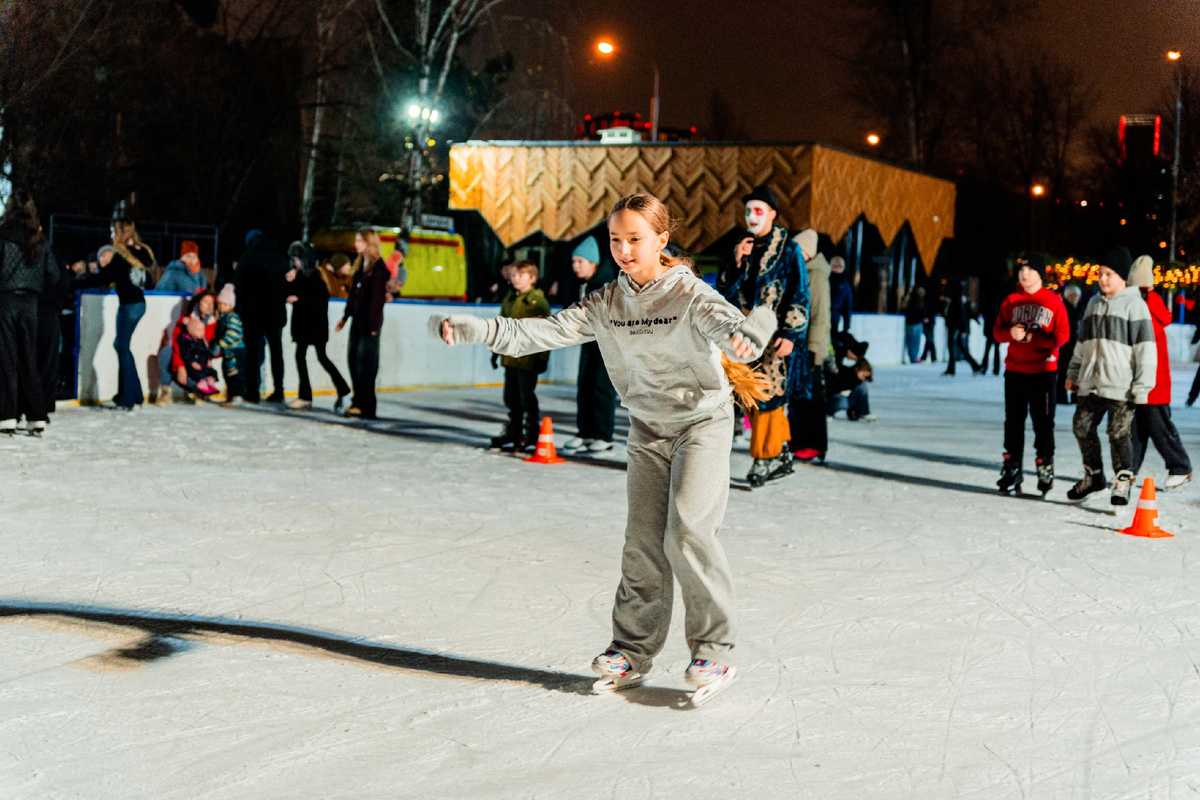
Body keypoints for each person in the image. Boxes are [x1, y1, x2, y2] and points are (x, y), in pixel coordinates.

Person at [427, 191, 777, 702]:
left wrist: (752, 332)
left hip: (701, 423)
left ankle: (714, 652)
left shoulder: (690, 294)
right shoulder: (607, 302)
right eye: (616, 240)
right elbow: (543, 331)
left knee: (687, 530)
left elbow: (741, 328)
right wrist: (480, 328)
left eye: (635, 239)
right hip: (646, 428)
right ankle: (632, 651)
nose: (624, 250)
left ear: (661, 239)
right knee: (642, 540)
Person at [725, 184, 810, 488]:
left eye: (758, 211)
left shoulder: (788, 249)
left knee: (768, 397)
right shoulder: (742, 244)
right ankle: (781, 448)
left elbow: (800, 293)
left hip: (774, 338)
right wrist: (736, 261)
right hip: (743, 333)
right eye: (748, 210)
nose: (751, 216)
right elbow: (724, 290)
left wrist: (791, 334)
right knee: (749, 396)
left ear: (773, 215)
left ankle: (766, 456)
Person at [1065, 247, 1156, 505]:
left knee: (1118, 434)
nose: (1103, 279)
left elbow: (1146, 350)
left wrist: (1142, 386)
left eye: (1109, 274)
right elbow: (1082, 343)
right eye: (1100, 274)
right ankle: (1093, 476)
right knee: (1081, 427)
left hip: (1121, 386)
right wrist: (1073, 373)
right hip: (1091, 382)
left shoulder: (1135, 304)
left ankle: (1122, 480)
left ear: (1123, 277)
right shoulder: (1093, 303)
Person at [991, 254, 1071, 495]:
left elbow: (1063, 335)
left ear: (1039, 274)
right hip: (1015, 370)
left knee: (1043, 423)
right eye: (1021, 270)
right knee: (1013, 422)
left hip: (1043, 372)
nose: (1024, 274)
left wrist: (1033, 339)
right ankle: (1012, 466)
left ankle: (1045, 465)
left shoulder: (1052, 301)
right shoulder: (1011, 301)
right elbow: (997, 331)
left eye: (1029, 270)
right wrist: (1009, 334)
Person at [74, 216, 156, 410]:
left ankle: (126, 397)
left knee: (122, 347)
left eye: (113, 231)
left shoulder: (122, 256)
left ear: (119, 233)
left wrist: (74, 283)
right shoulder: (142, 252)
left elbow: (103, 277)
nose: (111, 235)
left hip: (129, 306)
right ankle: (134, 394)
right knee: (121, 346)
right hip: (138, 304)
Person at [1127, 256, 1192, 489]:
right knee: (1135, 429)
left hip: (1154, 383)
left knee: (1159, 428)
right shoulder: (1143, 305)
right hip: (1140, 381)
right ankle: (1128, 470)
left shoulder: (1147, 307)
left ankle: (1180, 467)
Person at [562, 236, 619, 453]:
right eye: (574, 262)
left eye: (580, 262)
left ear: (593, 262)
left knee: (601, 387)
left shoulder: (606, 285)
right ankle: (585, 432)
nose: (575, 266)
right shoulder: (586, 284)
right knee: (584, 384)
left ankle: (603, 435)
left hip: (607, 344)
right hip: (589, 342)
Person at [0, 190, 50, 436]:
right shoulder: (38, 238)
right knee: (29, 358)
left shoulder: (3, 235)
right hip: (30, 302)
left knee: (6, 358)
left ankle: (7, 414)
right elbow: (54, 274)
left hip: (6, 300)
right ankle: (36, 415)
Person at [488, 260, 551, 450]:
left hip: (528, 358)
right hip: (510, 357)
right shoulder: (509, 298)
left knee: (526, 397)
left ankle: (531, 431)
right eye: (514, 275)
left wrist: (542, 357)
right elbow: (502, 327)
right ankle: (514, 430)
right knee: (511, 397)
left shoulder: (537, 301)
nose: (516, 279)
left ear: (532, 278)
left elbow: (545, 331)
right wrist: (495, 351)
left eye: (521, 275)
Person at [285, 241, 350, 412]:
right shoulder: (301, 276)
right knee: (308, 357)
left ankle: (311, 395)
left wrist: (299, 300)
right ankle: (313, 394)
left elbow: (319, 301)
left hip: (313, 326)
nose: (295, 262)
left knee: (318, 357)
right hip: (307, 326)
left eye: (298, 259)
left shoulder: (314, 277)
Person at [335, 228, 389, 420]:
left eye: (359, 241)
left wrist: (374, 326)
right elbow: (353, 297)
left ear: (368, 243)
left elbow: (377, 300)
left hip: (369, 325)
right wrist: (345, 316)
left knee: (365, 365)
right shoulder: (361, 267)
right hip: (357, 322)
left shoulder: (378, 269)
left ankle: (367, 406)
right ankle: (358, 402)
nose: (356, 244)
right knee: (353, 361)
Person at [234, 230, 288, 403]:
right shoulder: (279, 258)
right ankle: (279, 390)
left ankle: (253, 391)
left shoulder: (247, 258)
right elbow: (286, 285)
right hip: (275, 311)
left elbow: (239, 285)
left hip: (253, 311)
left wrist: (240, 307)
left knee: (253, 353)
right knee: (276, 351)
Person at [790, 229, 830, 463]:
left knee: (813, 397)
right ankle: (799, 438)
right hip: (799, 345)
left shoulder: (816, 275)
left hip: (811, 347)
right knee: (798, 395)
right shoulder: (802, 271)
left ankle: (815, 444)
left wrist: (814, 347)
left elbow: (820, 315)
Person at [36, 231, 72, 423]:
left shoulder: (27, 251)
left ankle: (30, 406)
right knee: (47, 362)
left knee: (30, 361)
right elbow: (61, 281)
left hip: (35, 309)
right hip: (48, 312)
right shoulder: (52, 253)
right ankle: (43, 406)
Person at [168, 290, 217, 402]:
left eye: (211, 303)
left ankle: (199, 392)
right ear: (197, 303)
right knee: (165, 353)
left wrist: (212, 354)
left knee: (207, 375)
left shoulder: (214, 323)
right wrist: (180, 365)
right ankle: (166, 390)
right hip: (186, 360)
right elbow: (177, 344)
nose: (209, 306)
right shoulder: (185, 321)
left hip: (201, 364)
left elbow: (211, 349)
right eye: (205, 302)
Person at [213, 284, 246, 407]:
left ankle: (238, 396)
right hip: (227, 353)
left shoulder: (233, 318)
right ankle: (231, 395)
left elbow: (232, 334)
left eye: (225, 304)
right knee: (227, 373)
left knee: (235, 373)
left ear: (231, 305)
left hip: (236, 351)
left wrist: (220, 344)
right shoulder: (222, 318)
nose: (222, 306)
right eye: (220, 303)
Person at [173, 315, 219, 398]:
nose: (201, 333)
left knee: (211, 372)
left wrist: (209, 359)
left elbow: (206, 351)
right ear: (191, 331)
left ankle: (210, 382)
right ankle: (201, 385)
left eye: (202, 330)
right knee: (198, 374)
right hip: (194, 364)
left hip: (203, 363)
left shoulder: (201, 341)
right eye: (199, 330)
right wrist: (192, 362)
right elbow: (186, 354)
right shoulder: (187, 341)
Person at [943, 278, 981, 375]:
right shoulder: (958, 300)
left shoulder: (956, 301)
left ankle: (954, 368)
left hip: (955, 327)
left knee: (953, 346)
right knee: (959, 347)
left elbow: (960, 315)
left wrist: (962, 329)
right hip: (957, 327)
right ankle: (974, 365)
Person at [1057, 284, 1084, 404]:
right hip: (1065, 346)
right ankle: (1061, 397)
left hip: (1077, 346)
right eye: (1072, 295)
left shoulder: (1081, 309)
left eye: (1076, 296)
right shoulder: (1063, 309)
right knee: (1063, 372)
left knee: (1077, 373)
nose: (1074, 298)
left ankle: (1075, 396)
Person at [902, 286, 926, 364]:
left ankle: (912, 357)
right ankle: (914, 357)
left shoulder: (909, 300)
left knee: (910, 341)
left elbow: (904, 309)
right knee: (915, 342)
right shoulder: (919, 302)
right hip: (916, 323)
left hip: (910, 323)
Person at [829, 256, 852, 333]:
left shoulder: (845, 285)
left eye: (840, 267)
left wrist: (846, 326)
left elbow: (847, 306)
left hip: (834, 319)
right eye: (835, 267)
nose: (837, 270)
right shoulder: (825, 280)